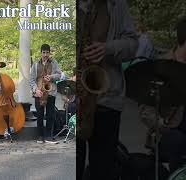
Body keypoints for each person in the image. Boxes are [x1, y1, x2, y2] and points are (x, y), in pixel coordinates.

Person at [78, 0, 138, 179]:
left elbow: (133, 44)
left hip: (106, 97)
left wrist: (108, 48)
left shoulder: (116, 4)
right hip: (75, 99)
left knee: (103, 168)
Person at [139, 17, 186, 174]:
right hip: (166, 131)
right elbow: (145, 111)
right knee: (178, 141)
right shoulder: (161, 67)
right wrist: (162, 127)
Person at [30, 44, 61, 144]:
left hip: (51, 92)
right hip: (39, 93)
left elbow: (59, 75)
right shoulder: (35, 64)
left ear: (49, 53)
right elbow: (31, 80)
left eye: (47, 52)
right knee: (39, 115)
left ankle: (48, 136)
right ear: (41, 53)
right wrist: (36, 90)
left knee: (50, 115)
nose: (45, 54)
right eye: (44, 52)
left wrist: (51, 77)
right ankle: (40, 136)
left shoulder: (54, 62)